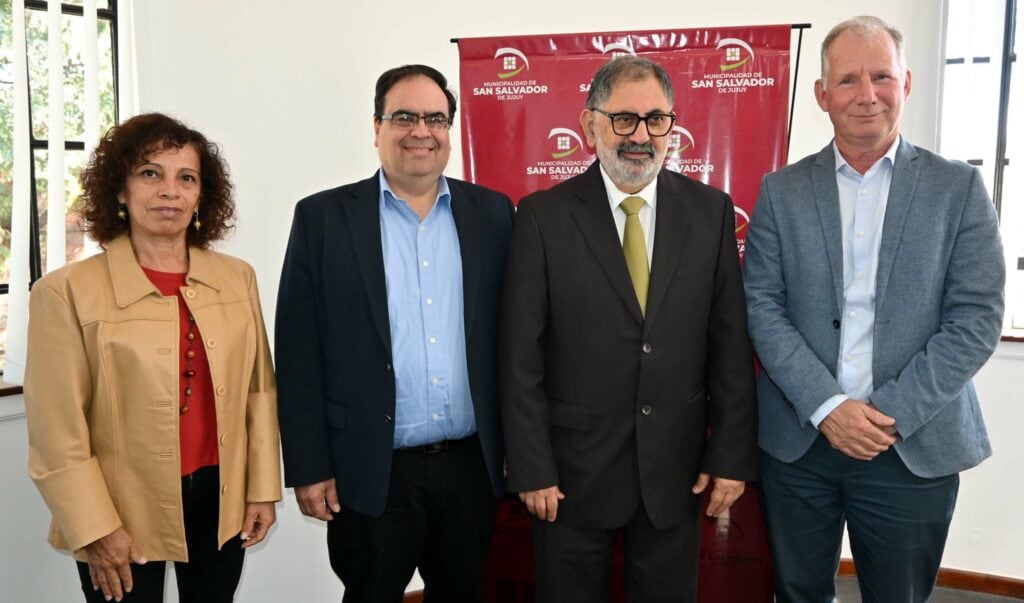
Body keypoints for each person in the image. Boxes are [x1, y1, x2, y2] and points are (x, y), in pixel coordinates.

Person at [744, 16, 1005, 602]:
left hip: (908, 446)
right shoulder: (780, 192)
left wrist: (884, 415)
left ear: (906, 83)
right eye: (848, 79)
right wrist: (829, 406)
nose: (867, 94)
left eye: (882, 76)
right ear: (821, 94)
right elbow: (762, 307)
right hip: (801, 444)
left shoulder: (958, 189)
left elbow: (976, 318)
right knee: (797, 592)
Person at [499, 56, 757, 602]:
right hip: (569, 479)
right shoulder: (542, 217)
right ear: (591, 123)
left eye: (656, 119)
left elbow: (730, 346)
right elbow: (520, 354)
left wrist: (730, 456)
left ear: (671, 126)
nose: (641, 135)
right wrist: (530, 465)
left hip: (675, 473)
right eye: (624, 119)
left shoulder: (710, 213)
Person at [275, 64, 515, 603]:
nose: (420, 130)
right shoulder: (323, 219)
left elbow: (515, 341)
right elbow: (297, 352)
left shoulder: (493, 214)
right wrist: (309, 467)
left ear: (450, 129)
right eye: (404, 116)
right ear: (377, 126)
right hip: (370, 466)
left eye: (435, 118)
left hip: (468, 467)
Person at [24, 112, 281, 603]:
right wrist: (94, 527)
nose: (170, 190)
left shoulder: (237, 278)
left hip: (221, 499)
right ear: (119, 190)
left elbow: (259, 392)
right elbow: (57, 430)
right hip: (119, 506)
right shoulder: (65, 292)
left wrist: (262, 488)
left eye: (186, 178)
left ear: (201, 195)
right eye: (150, 174)